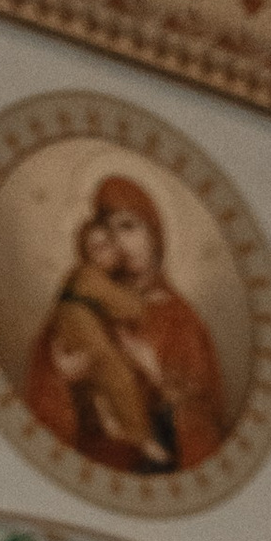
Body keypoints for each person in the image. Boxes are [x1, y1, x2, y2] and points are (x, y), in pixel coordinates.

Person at [22, 176, 227, 478]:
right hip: (83, 467)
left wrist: (155, 372)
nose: (119, 242)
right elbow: (39, 403)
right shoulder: (83, 301)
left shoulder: (180, 319)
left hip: (149, 474)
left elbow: (206, 421)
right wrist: (62, 377)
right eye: (109, 231)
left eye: (129, 227)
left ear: (154, 235)